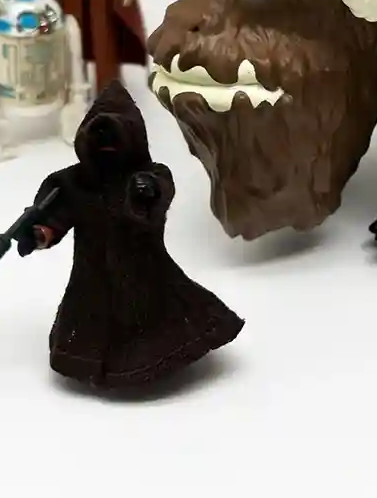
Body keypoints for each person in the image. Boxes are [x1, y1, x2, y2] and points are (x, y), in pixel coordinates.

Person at [19, 82, 242, 389]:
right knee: (89, 315)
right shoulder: (75, 181)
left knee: (149, 316)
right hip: (91, 271)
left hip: (142, 267)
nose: (107, 145)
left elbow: (159, 196)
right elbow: (56, 215)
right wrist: (40, 234)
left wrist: (145, 193)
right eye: (99, 136)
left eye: (115, 136)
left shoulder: (149, 174)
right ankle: (89, 363)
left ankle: (143, 365)